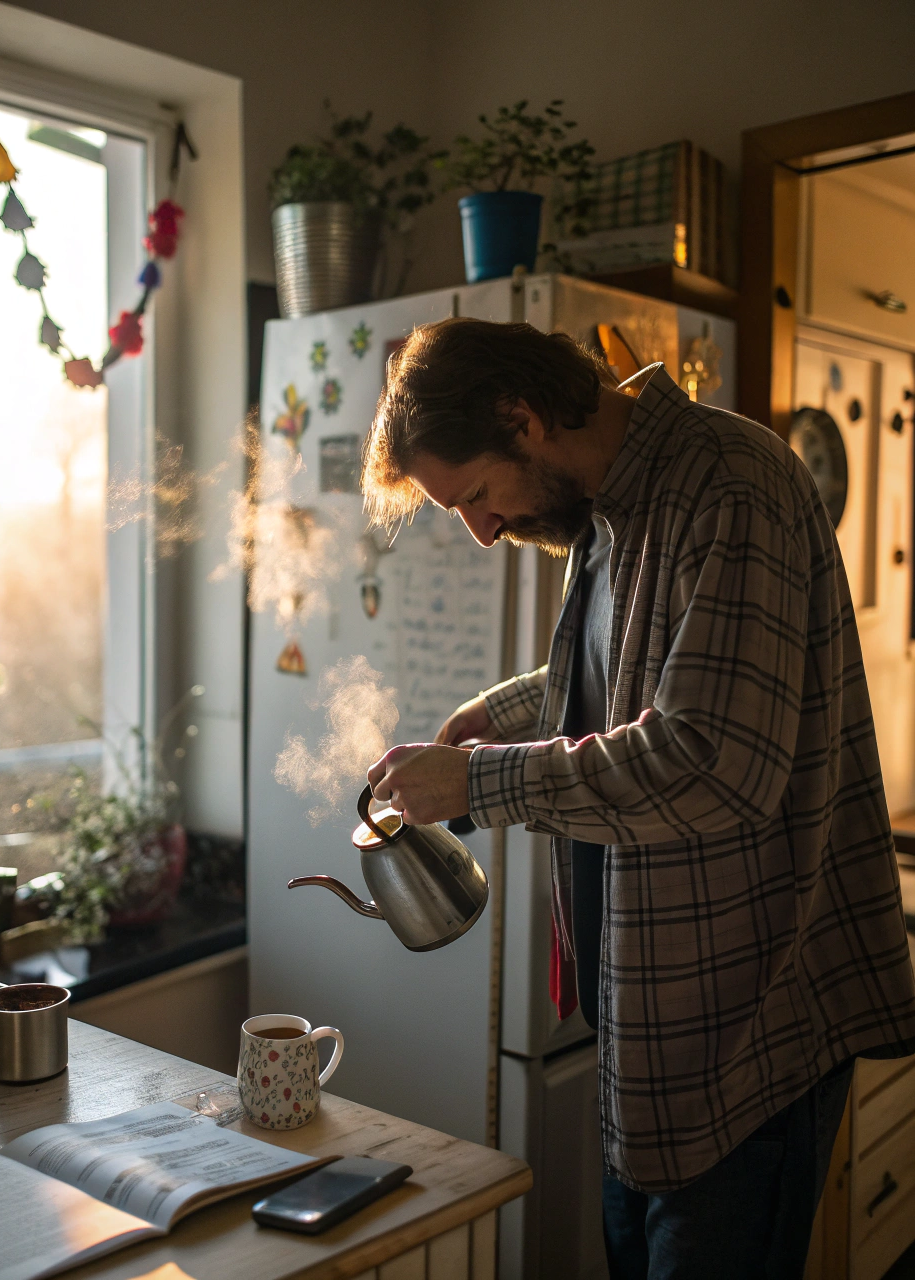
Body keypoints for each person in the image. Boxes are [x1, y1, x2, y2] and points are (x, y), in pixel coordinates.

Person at [360, 317, 915, 1279]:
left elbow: (710, 760)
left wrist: (481, 783)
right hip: (649, 1027)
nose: (484, 530)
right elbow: (638, 681)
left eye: (477, 497)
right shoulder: (609, 511)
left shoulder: (729, 484)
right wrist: (506, 711)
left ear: (521, 418)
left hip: (749, 1034)